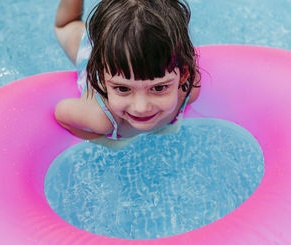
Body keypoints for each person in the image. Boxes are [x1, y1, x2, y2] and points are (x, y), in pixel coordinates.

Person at [54, 0, 200, 148]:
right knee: (66, 26)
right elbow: (61, 114)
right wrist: (108, 142)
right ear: (103, 80)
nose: (141, 108)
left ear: (183, 75)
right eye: (123, 89)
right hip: (97, 53)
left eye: (158, 88)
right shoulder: (100, 118)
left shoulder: (189, 91)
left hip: (144, 49)